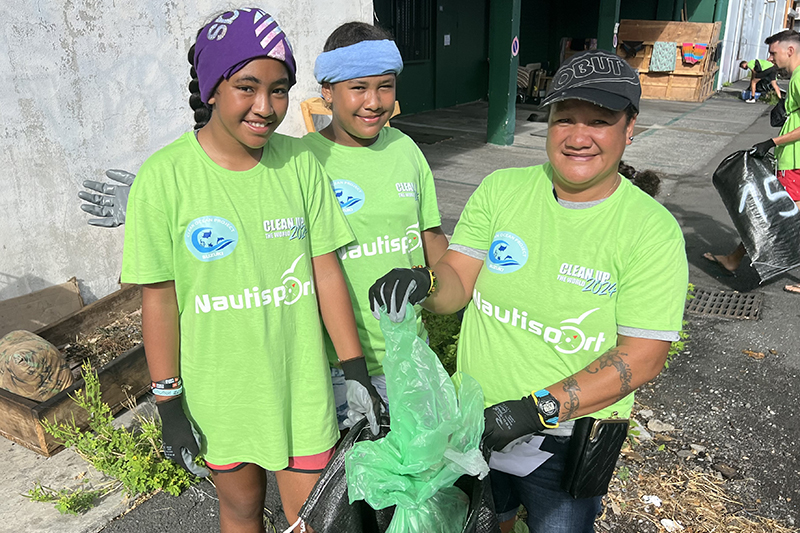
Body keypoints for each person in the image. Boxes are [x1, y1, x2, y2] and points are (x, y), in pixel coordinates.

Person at [368, 50, 688, 532]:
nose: (578, 137)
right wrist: (425, 282)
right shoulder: (502, 190)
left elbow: (643, 356)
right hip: (475, 418)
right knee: (480, 522)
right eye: (565, 120)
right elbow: (457, 285)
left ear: (630, 127)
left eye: (599, 122)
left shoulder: (651, 230)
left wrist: (533, 410)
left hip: (571, 434)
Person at [120, 9, 377, 532]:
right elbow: (160, 299)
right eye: (247, 87)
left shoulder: (300, 164)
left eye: (279, 89)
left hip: (302, 386)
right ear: (212, 88)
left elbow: (326, 274)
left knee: (313, 519)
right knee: (239, 510)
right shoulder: (164, 178)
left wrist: (354, 371)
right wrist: (168, 402)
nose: (266, 107)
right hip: (223, 391)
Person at [304, 21, 448, 428]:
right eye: (358, 87)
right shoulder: (303, 161)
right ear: (328, 92)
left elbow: (432, 240)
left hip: (408, 357)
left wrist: (454, 290)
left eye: (385, 86)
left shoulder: (406, 149)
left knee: (416, 482)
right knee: (348, 487)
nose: (374, 101)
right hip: (333, 369)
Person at [705, 30, 800, 293]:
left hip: (796, 161)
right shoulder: (794, 78)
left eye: (773, 52)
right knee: (770, 212)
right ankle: (734, 259)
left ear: (789, 51)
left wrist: (772, 142)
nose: (769, 58)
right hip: (792, 159)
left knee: (777, 214)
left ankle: (734, 259)